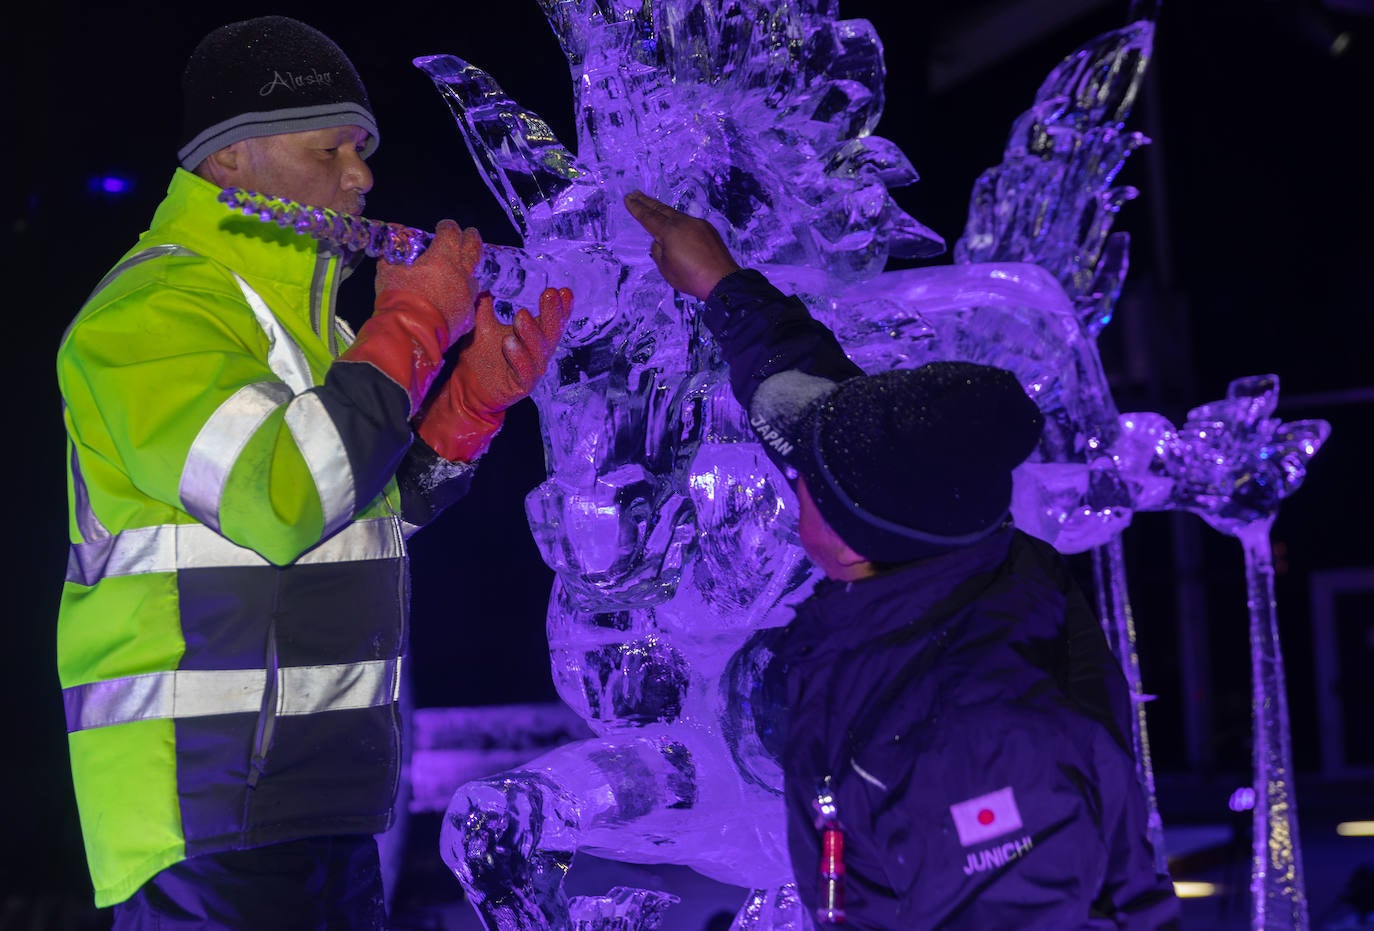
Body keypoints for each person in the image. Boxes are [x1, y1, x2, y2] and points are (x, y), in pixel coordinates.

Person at [55, 16, 571, 929]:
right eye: (329, 146)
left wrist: (467, 408)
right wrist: (409, 329)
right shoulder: (150, 314)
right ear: (230, 164)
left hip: (318, 810)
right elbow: (283, 500)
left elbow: (355, 517)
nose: (361, 175)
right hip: (206, 815)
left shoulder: (313, 337)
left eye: (363, 149)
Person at [624, 190, 1180, 930]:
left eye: (804, 485)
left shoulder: (981, 747)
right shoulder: (954, 552)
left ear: (855, 537)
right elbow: (841, 419)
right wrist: (723, 285)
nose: (788, 483)